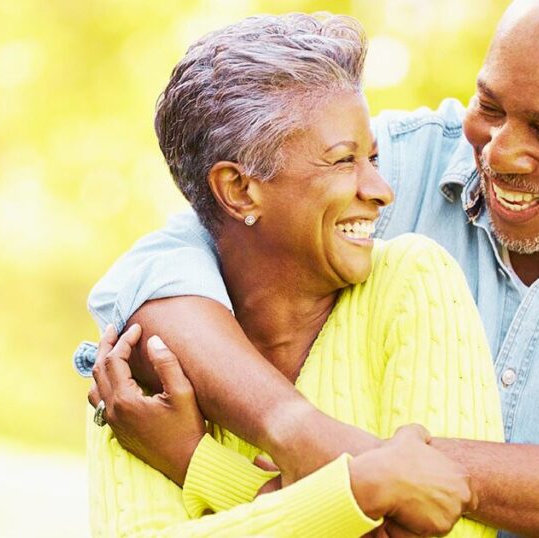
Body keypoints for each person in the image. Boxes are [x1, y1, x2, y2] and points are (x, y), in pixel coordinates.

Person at [82, 0, 539, 536]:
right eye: (490, 106)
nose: (502, 155)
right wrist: (298, 432)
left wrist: (369, 471)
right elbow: (165, 268)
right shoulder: (394, 161)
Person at [82, 13, 504, 537]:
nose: (380, 190)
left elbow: (447, 529)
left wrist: (201, 466)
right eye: (342, 160)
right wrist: (363, 494)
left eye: (372, 157)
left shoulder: (413, 280)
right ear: (239, 190)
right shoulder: (144, 366)